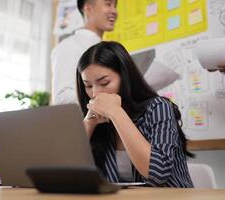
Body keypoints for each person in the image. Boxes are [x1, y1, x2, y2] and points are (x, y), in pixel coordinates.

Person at [76, 41, 194, 187]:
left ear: (125, 78)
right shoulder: (98, 122)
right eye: (88, 85)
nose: (95, 93)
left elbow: (157, 175)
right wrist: (89, 122)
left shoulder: (158, 108)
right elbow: (66, 172)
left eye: (105, 83)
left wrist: (116, 113)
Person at [51, 0, 117, 104]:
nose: (114, 11)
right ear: (88, 9)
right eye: (108, 4)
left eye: (115, 5)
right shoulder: (69, 46)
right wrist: (102, 102)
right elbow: (62, 98)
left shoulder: (108, 48)